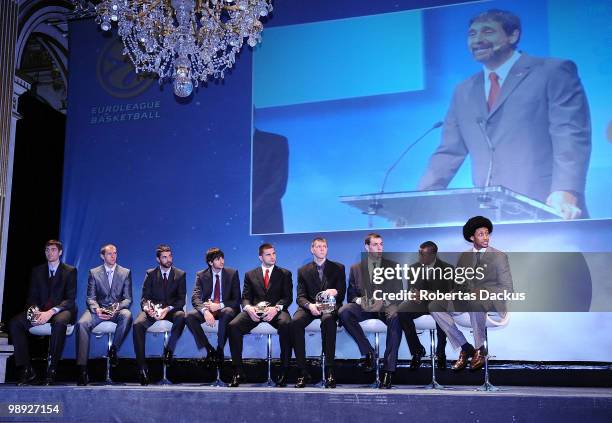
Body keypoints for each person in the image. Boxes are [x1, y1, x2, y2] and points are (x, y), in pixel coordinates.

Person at [418, 9, 591, 219]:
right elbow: (449, 152)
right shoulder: (463, 90)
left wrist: (566, 190)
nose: (478, 40)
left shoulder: (552, 71)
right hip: (489, 217)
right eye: (472, 34)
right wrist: (421, 201)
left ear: (513, 36)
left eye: (488, 31)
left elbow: (570, 135)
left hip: (548, 208)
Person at [430, 216, 513, 371]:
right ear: (471, 237)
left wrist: (483, 291)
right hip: (466, 299)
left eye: (487, 233)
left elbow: (508, 288)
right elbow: (459, 284)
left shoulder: (499, 256)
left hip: (491, 302)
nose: (486, 237)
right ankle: (465, 346)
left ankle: (480, 349)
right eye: (481, 234)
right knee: (435, 305)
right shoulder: (464, 256)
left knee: (476, 300)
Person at [338, 233, 403, 389]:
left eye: (381, 244)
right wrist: (361, 301)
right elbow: (351, 295)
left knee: (395, 316)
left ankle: (388, 370)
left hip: (385, 307)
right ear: (367, 247)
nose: (379, 247)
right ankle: (369, 352)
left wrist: (384, 301)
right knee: (344, 311)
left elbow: (399, 293)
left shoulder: (393, 266)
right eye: (375, 244)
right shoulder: (355, 268)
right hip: (365, 308)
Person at [8, 240, 77, 385]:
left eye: (52, 250)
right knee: (15, 323)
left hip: (62, 310)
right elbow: (32, 297)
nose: (49, 252)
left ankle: (52, 369)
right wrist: (34, 312)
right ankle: (27, 369)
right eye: (46, 250)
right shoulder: (37, 271)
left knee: (59, 322)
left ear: (60, 252)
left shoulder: (70, 271)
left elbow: (70, 299)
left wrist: (50, 312)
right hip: (41, 310)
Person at [227, 243, 292, 387]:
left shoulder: (285, 274)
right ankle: (238, 371)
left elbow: (288, 298)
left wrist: (276, 308)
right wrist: (248, 308)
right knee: (233, 326)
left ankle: (284, 371)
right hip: (255, 311)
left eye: (274, 253)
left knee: (287, 324)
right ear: (260, 257)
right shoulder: (250, 274)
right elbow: (245, 297)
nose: (273, 256)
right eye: (268, 254)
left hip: (276, 311)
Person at [291, 237, 346, 388]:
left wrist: (335, 292)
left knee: (328, 320)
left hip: (330, 307)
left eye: (325, 246)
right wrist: (310, 306)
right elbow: (300, 297)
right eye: (319, 246)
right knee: (295, 322)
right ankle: (303, 372)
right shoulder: (303, 270)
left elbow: (342, 294)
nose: (322, 249)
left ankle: (330, 371)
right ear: (312, 249)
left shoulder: (338, 268)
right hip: (311, 307)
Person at [75, 243, 133, 386]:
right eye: (109, 254)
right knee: (82, 324)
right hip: (98, 310)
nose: (113, 256)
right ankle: (82, 370)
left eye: (115, 253)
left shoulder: (125, 272)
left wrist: (117, 307)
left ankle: (113, 349)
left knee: (127, 315)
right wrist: (97, 310)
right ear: (102, 256)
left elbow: (128, 298)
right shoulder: (94, 273)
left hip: (116, 310)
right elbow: (90, 298)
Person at [132, 244, 186, 385]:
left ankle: (169, 350)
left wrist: (167, 309)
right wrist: (147, 308)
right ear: (158, 259)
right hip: (153, 310)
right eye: (164, 257)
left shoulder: (180, 275)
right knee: (137, 324)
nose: (168, 259)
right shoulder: (150, 274)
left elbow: (181, 299)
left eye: (170, 256)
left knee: (182, 316)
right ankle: (142, 369)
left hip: (171, 310)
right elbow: (144, 297)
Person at [398, 241, 453, 370]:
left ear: (433, 254)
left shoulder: (447, 269)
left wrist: (425, 294)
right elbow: (411, 290)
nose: (420, 257)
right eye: (419, 253)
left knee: (439, 310)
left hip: (439, 304)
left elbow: (446, 295)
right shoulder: (413, 268)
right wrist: (413, 296)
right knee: (402, 310)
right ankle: (417, 351)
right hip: (420, 304)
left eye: (424, 254)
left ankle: (441, 353)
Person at [185, 247, 241, 367]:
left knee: (226, 312)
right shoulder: (201, 275)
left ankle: (219, 350)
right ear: (210, 263)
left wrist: (219, 305)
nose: (222, 261)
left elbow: (237, 299)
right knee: (189, 316)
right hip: (209, 309)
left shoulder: (232, 273)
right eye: (218, 259)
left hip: (227, 308)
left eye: (222, 258)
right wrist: (205, 311)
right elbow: (195, 298)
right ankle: (209, 350)